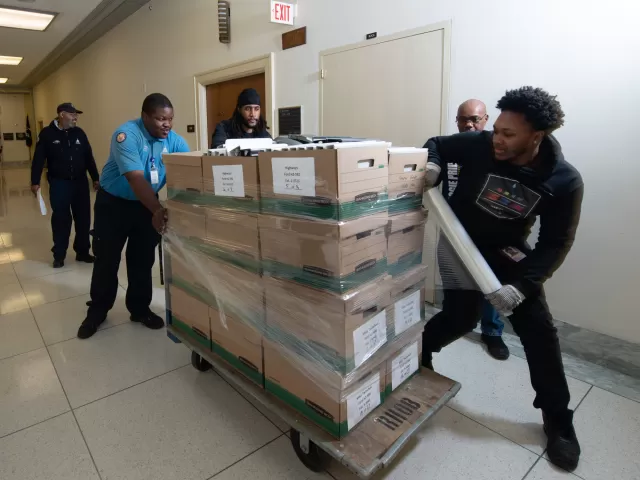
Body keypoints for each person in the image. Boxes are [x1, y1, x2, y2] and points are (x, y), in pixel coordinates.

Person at [422, 87, 584, 471]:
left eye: (508, 134)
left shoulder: (563, 180)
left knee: (540, 333)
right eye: (496, 129)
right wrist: (432, 165)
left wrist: (522, 286)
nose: (497, 138)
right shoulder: (480, 145)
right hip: (460, 243)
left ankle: (558, 421)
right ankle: (418, 355)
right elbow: (436, 144)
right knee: (461, 318)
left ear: (536, 137)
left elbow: (556, 242)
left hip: (507, 253)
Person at [77, 93, 189, 339]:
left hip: (145, 207)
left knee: (142, 260)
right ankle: (97, 311)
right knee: (107, 259)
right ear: (145, 116)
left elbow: (188, 171)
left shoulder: (175, 141)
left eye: (170, 119)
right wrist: (158, 210)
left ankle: (139, 309)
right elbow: (136, 179)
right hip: (113, 204)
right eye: (160, 119)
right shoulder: (126, 135)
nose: (167, 124)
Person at [440, 99, 510, 360]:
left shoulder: (497, 152)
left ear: (486, 120)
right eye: (463, 119)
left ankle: (492, 333)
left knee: (491, 283)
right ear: (457, 121)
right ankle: (451, 323)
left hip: (487, 233)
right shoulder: (449, 148)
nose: (469, 124)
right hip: (452, 228)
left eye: (475, 119)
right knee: (454, 283)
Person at [31, 103, 100, 268]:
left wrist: (95, 178)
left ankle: (82, 252)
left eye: (76, 115)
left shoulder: (79, 133)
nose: (75, 117)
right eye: (72, 114)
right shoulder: (47, 134)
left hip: (80, 183)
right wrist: (35, 181)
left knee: (83, 218)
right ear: (62, 115)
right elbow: (38, 159)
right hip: (59, 183)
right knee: (61, 219)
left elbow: (88, 157)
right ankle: (59, 254)